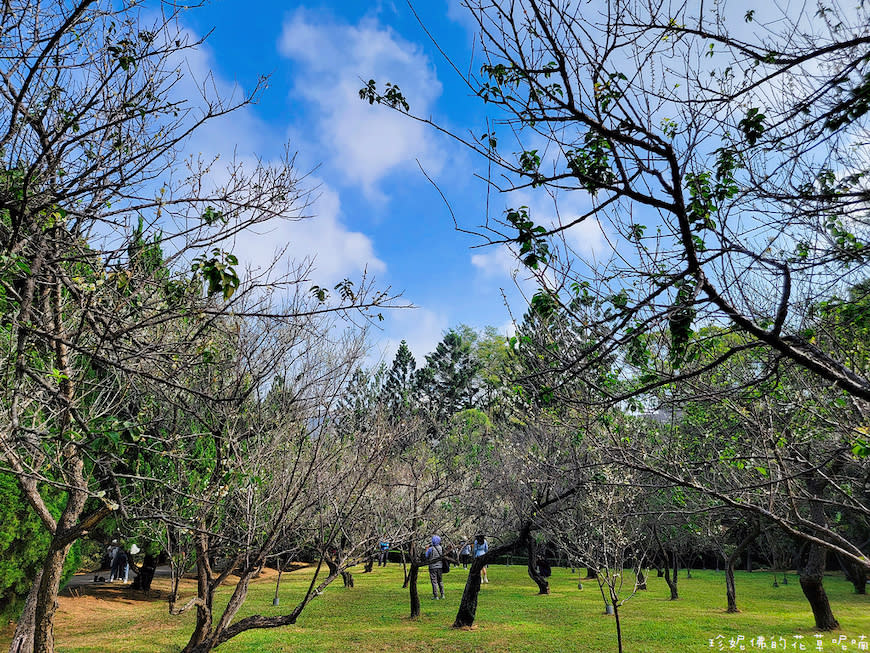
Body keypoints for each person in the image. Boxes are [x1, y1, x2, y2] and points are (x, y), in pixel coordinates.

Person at [425, 535, 444, 599]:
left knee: (434, 581)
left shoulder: (431, 549)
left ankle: (436, 595)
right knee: (440, 580)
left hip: (432, 567)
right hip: (440, 566)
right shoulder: (441, 548)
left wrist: (426, 549)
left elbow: (427, 556)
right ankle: (442, 594)